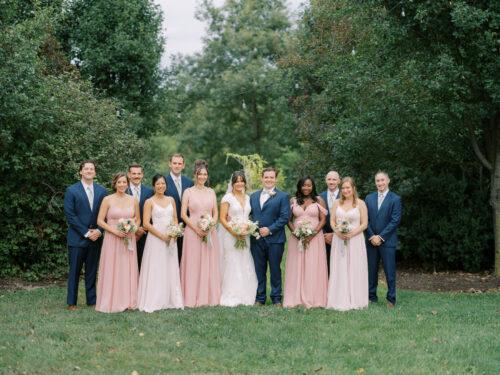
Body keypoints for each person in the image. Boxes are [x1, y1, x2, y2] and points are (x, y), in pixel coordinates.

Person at [63, 160, 107, 310]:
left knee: (92, 271)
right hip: (77, 238)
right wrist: (87, 232)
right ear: (81, 171)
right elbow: (70, 215)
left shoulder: (102, 191)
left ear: (95, 173)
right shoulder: (72, 190)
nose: (89, 171)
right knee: (74, 271)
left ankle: (92, 300)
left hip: (96, 237)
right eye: (86, 169)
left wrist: (99, 231)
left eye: (92, 169)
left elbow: (106, 215)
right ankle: (71, 302)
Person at [137, 174, 183, 312]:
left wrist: (174, 232)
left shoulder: (171, 200)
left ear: (166, 185)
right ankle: (155, 299)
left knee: (170, 266)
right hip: (156, 238)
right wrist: (162, 236)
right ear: (153, 186)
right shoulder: (149, 201)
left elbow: (175, 218)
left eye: (163, 184)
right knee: (157, 267)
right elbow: (145, 223)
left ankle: (171, 299)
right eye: (158, 184)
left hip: (171, 238)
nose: (161, 186)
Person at [95, 172, 140, 313]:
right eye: (119, 182)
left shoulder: (133, 200)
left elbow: (137, 219)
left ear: (128, 183)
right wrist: (114, 232)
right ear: (114, 184)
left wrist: (133, 228)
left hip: (128, 237)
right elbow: (100, 221)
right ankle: (111, 300)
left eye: (124, 182)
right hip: (112, 238)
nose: (122, 185)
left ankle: (128, 301)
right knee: (112, 268)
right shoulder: (107, 199)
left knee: (127, 268)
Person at [180, 160, 221, 307]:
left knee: (208, 262)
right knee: (193, 263)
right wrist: (196, 229)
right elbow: (183, 214)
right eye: (200, 174)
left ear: (207, 176)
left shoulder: (211, 192)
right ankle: (191, 297)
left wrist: (211, 225)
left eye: (205, 174)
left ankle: (208, 296)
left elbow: (215, 213)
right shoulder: (188, 192)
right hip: (192, 232)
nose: (202, 176)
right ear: (195, 175)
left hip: (209, 232)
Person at [283, 176, 328, 308]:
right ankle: (295, 297)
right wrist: (297, 233)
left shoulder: (318, 200)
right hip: (297, 238)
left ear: (312, 186)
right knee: (296, 266)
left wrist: (312, 234)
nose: (306, 188)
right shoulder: (293, 200)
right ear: (299, 186)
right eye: (304, 185)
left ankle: (314, 297)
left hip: (315, 238)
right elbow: (288, 220)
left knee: (313, 265)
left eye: (309, 185)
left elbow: (323, 220)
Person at [249, 167, 290, 306]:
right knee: (259, 269)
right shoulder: (253, 196)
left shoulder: (283, 196)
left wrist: (270, 229)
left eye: (271, 177)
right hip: (256, 239)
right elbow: (249, 215)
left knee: (275, 269)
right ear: (262, 178)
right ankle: (260, 298)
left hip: (275, 240)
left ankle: (276, 297)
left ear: (275, 179)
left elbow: (284, 217)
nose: (269, 180)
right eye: (266, 177)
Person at [326, 177, 369, 311]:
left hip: (356, 240)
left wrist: (352, 233)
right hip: (339, 240)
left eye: (348, 188)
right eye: (343, 188)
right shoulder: (336, 203)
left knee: (355, 267)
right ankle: (339, 298)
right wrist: (337, 231)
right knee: (340, 267)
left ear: (353, 188)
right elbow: (332, 221)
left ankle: (356, 299)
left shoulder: (360, 203)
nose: (345, 190)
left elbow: (364, 223)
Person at [218, 171, 258, 306]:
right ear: (232, 183)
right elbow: (222, 218)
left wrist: (247, 228)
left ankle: (246, 292)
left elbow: (248, 216)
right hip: (231, 235)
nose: (239, 183)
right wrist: (233, 231)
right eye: (237, 181)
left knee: (244, 260)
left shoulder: (248, 198)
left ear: (244, 183)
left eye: (242, 181)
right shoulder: (227, 198)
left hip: (245, 235)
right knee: (232, 262)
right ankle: (232, 293)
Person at [365, 171, 402, 308]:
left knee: (390, 271)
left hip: (388, 241)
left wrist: (380, 237)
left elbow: (395, 221)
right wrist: (371, 236)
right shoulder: (369, 198)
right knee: (372, 270)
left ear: (388, 181)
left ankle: (391, 299)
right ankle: (371, 296)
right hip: (371, 240)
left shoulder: (395, 199)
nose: (380, 183)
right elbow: (365, 219)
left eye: (382, 180)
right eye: (377, 181)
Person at [165, 153, 194, 264]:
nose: (177, 166)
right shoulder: (163, 182)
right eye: (174, 163)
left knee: (186, 258)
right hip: (169, 227)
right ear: (170, 164)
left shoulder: (189, 182)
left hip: (187, 227)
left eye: (179, 163)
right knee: (171, 258)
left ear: (183, 165)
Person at [126, 164, 153, 271]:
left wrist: (143, 229)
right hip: (127, 233)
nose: (136, 176)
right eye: (133, 174)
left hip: (146, 233)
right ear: (129, 175)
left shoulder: (150, 191)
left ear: (142, 175)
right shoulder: (123, 190)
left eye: (139, 174)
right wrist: (134, 229)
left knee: (144, 265)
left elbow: (153, 212)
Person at [319, 170, 341, 276]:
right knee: (325, 265)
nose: (331, 182)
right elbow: (317, 218)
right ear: (325, 180)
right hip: (323, 236)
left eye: (334, 179)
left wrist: (335, 234)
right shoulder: (319, 197)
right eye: (329, 179)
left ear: (339, 181)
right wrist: (324, 234)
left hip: (341, 235)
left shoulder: (345, 195)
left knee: (339, 265)